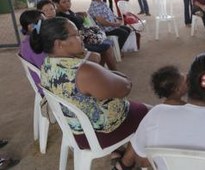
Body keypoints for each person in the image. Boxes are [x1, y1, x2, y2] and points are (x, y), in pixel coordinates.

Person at [30, 17, 149, 170]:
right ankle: (126, 162)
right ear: (59, 43)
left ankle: (121, 153)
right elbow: (124, 88)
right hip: (97, 133)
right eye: (76, 35)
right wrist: (119, 77)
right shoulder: (84, 71)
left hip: (74, 127)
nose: (82, 38)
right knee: (151, 113)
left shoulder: (47, 64)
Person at [53, 0, 118, 70]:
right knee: (107, 47)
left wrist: (78, 14)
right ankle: (112, 72)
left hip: (85, 37)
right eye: (64, 2)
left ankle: (103, 71)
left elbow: (73, 17)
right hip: (80, 42)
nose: (68, 4)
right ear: (57, 4)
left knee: (106, 45)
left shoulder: (69, 12)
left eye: (68, 1)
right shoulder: (60, 17)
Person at [19, 10, 46, 96]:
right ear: (31, 27)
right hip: (47, 88)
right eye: (44, 22)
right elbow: (45, 68)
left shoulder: (28, 41)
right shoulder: (33, 46)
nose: (47, 24)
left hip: (44, 82)